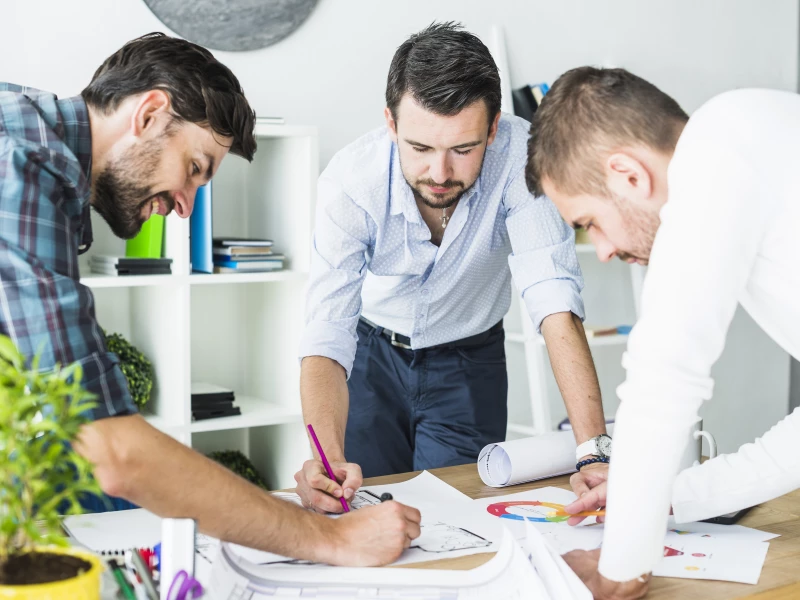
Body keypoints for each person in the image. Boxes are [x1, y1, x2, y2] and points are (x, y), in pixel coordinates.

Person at [0, 32, 420, 567]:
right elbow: (113, 450)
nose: (184, 207)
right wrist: (331, 540)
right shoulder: (24, 167)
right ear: (149, 113)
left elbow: (73, 404)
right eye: (195, 169)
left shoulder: (31, 134)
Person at [295, 22, 610, 515]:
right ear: (392, 124)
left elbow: (553, 300)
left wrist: (595, 451)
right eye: (420, 148)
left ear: (493, 127)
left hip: (469, 359)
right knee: (358, 510)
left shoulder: (522, 157)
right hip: (370, 358)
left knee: (457, 517)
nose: (440, 174)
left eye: (463, 150)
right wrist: (324, 457)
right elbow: (326, 331)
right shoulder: (350, 183)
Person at [525, 66, 800, 599]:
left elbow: (663, 381)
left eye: (591, 223)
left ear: (629, 174)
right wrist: (664, 496)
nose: (601, 250)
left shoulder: (717, 157)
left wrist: (619, 567)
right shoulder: (754, 133)